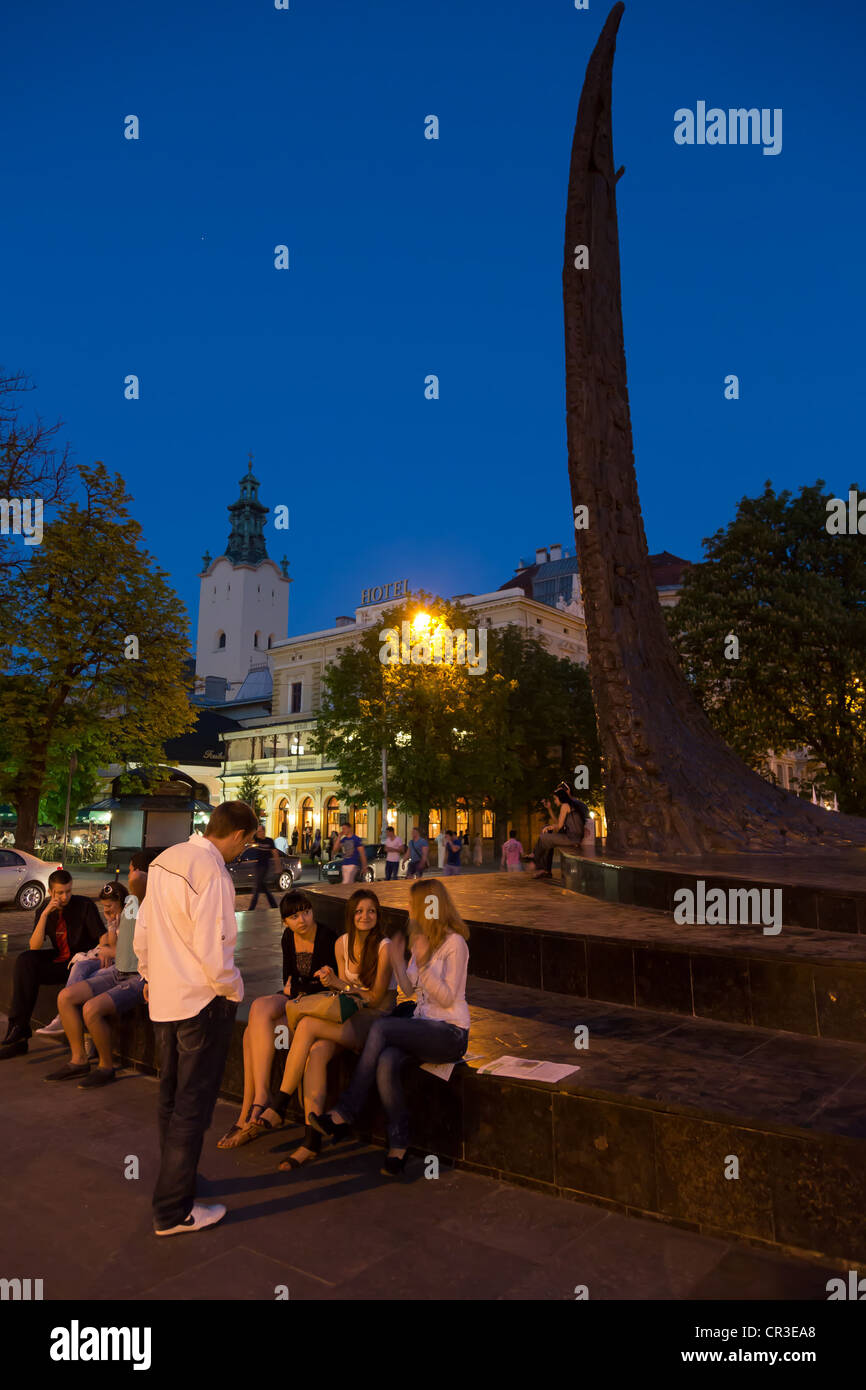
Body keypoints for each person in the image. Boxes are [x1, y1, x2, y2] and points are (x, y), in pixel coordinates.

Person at [133, 799, 259, 1236]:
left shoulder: (166, 860)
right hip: (201, 1004)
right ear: (239, 835)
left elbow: (143, 928)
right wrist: (231, 988)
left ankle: (178, 1180)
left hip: (165, 1000)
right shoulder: (214, 873)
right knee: (192, 1106)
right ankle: (172, 1210)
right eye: (247, 843)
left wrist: (148, 973)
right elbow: (215, 947)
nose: (244, 853)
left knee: (169, 1097)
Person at [312, 878, 470, 1177]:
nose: (409, 909)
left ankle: (344, 1112)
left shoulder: (454, 943)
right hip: (422, 1025)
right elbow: (410, 990)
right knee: (385, 1061)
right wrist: (400, 960)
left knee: (382, 1029)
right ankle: (399, 1143)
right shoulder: (422, 939)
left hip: (450, 1032)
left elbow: (448, 996)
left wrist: (422, 963)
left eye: (413, 905)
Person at [271, 889, 397, 1158]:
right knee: (315, 1053)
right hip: (348, 1018)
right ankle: (310, 1140)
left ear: (378, 915)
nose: (365, 916)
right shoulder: (341, 944)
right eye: (359, 911)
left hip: (375, 1023)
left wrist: (340, 984)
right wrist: (333, 982)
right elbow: (344, 995)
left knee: (306, 1026)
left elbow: (374, 1000)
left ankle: (280, 1102)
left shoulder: (385, 947)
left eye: (371, 911)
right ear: (351, 914)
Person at [217, 891, 337, 1165]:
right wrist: (300, 987)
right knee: (257, 1011)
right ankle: (257, 1100)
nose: (302, 919)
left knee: (251, 1034)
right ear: (285, 922)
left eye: (306, 912)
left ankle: (249, 1113)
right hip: (297, 1002)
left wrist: (302, 987)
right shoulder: (287, 938)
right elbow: (288, 981)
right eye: (294, 916)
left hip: (318, 1007)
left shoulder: (327, 936)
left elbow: (326, 984)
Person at [45, 880, 146, 1087]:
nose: (129, 875)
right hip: (118, 971)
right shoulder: (128, 909)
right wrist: (111, 927)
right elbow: (115, 947)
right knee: (65, 997)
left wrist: (110, 951)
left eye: (132, 870)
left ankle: (106, 1067)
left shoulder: (141, 908)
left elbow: (127, 953)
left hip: (138, 977)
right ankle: (78, 1060)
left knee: (91, 1009)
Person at [0, 870, 107, 1060]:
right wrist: (44, 915)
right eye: (60, 893)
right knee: (26, 961)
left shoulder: (84, 905)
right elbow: (34, 946)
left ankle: (23, 1032)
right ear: (51, 892)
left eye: (68, 891)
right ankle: (19, 1031)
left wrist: (106, 951)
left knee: (40, 964)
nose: (65, 896)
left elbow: (101, 935)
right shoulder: (45, 910)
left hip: (82, 963)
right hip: (61, 961)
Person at [35, 882, 126, 1038]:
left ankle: (69, 1021)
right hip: (111, 957)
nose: (107, 909)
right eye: (104, 906)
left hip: (124, 966)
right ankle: (69, 1021)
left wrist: (106, 950)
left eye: (110, 905)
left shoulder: (130, 917)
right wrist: (111, 924)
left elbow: (126, 952)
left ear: (121, 902)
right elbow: (112, 944)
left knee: (89, 980)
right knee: (80, 966)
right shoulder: (115, 917)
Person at [525, 784, 588, 879]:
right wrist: (549, 809)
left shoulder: (566, 805)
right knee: (546, 837)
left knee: (544, 837)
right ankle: (537, 861)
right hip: (573, 837)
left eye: (555, 799)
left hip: (572, 838)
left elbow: (559, 826)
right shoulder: (570, 804)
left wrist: (550, 827)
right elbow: (559, 823)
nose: (554, 801)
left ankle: (535, 859)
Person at [248, 823, 280, 910]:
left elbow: (275, 854)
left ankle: (251, 908)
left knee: (257, 886)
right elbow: (248, 840)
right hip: (257, 866)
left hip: (265, 866)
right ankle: (274, 905)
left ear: (264, 831)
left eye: (260, 831)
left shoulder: (269, 841)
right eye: (257, 831)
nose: (258, 833)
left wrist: (278, 867)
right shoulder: (256, 839)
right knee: (262, 886)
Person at [336, 820, 367, 885]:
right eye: (342, 829)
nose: (343, 830)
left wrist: (364, 866)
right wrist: (339, 837)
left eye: (344, 828)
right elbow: (335, 849)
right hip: (345, 864)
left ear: (349, 828)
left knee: (347, 883)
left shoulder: (356, 839)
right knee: (348, 883)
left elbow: (362, 853)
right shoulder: (344, 839)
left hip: (353, 864)